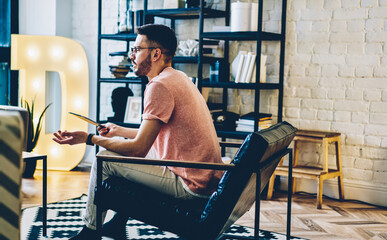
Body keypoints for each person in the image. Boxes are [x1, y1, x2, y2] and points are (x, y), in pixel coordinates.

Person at [52, 24, 223, 239]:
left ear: (155, 54)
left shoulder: (159, 86)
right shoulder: (177, 78)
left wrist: (89, 139)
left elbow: (139, 149)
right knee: (123, 154)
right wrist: (118, 130)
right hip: (202, 175)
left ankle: (90, 231)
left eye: (136, 49)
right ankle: (116, 224)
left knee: (104, 159)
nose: (131, 55)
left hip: (190, 184)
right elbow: (152, 136)